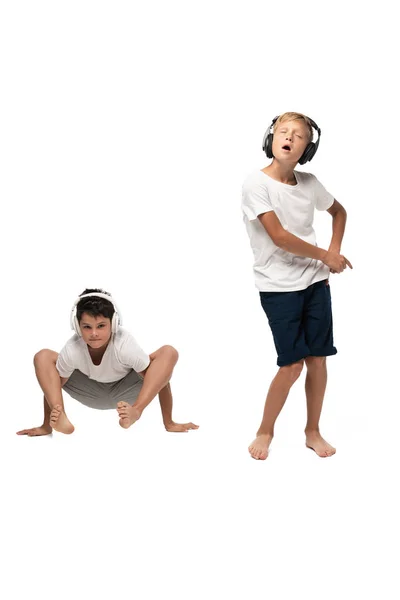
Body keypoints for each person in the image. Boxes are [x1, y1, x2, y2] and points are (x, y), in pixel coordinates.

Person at [241, 112, 352, 460]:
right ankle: (265, 430)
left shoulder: (310, 182)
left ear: (308, 147)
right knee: (291, 365)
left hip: (315, 283)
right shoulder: (255, 184)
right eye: (283, 132)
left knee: (317, 360)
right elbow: (280, 238)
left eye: (299, 135)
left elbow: (339, 213)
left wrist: (331, 254)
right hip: (278, 288)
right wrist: (326, 255)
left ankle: (312, 431)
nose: (289, 137)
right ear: (270, 139)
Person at [17, 289, 199, 436]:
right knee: (43, 356)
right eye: (87, 327)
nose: (94, 333)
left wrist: (169, 422)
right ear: (77, 326)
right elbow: (51, 385)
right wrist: (48, 423)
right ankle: (63, 420)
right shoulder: (73, 348)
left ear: (113, 324)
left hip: (127, 391)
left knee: (168, 353)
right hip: (88, 391)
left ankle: (136, 412)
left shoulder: (124, 345)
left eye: (101, 326)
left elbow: (161, 380)